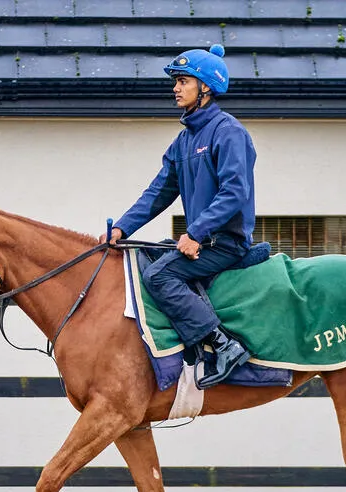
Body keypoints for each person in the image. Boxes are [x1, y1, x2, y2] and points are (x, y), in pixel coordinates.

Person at [103, 44, 256, 390]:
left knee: (159, 276)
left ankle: (223, 345)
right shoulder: (183, 141)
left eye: (183, 81)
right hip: (203, 241)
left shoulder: (228, 132)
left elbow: (235, 193)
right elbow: (158, 192)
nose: (175, 88)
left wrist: (196, 233)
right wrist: (124, 227)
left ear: (206, 87)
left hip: (226, 244)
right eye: (175, 81)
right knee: (149, 255)